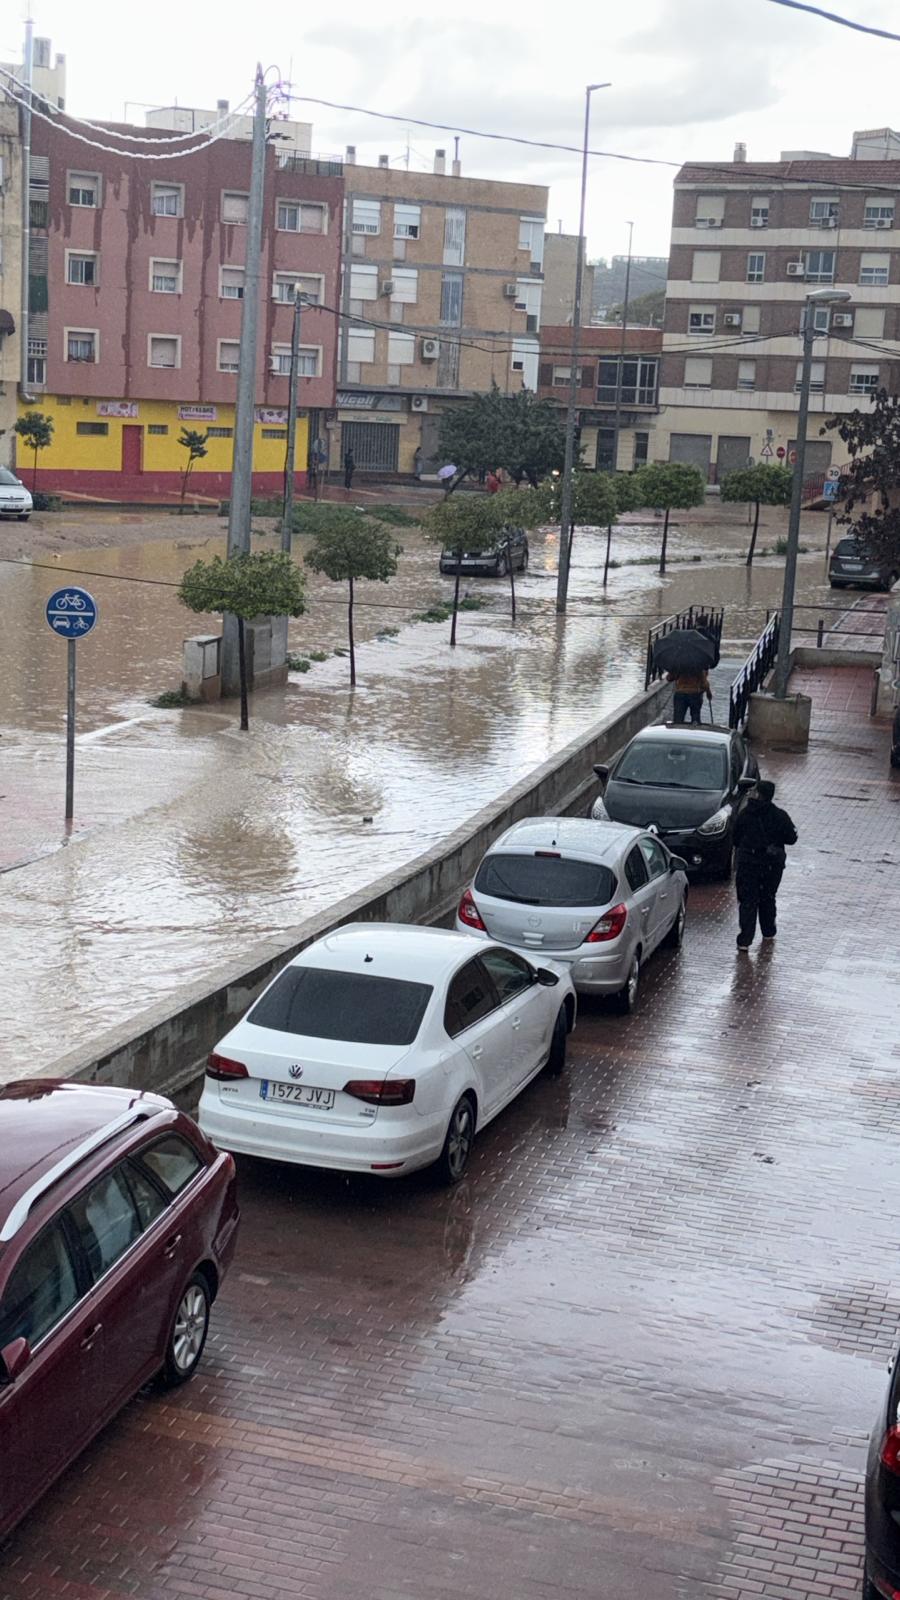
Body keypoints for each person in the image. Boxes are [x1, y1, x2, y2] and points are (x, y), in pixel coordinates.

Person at [733, 779, 798, 950]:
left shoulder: (746, 814)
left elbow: (735, 838)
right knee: (768, 897)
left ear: (758, 794)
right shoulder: (779, 815)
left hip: (748, 864)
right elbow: (792, 838)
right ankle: (768, 931)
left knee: (748, 901)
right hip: (771, 866)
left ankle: (745, 940)